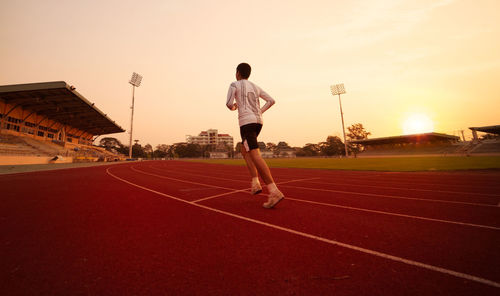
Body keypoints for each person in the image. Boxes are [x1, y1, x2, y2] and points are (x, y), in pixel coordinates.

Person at [226, 63, 284, 209]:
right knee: (244, 150)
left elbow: (228, 103)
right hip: (258, 122)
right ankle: (255, 182)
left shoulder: (234, 84)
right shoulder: (256, 86)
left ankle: (273, 190)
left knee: (255, 154)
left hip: (246, 122)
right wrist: (259, 111)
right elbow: (271, 101)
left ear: (238, 73)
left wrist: (235, 107)